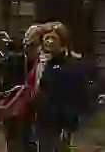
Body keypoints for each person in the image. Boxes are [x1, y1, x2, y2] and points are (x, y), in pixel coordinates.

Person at [30, 22, 91, 152]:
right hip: (42, 121)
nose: (50, 42)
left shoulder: (71, 65)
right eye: (47, 38)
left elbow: (78, 95)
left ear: (62, 42)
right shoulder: (41, 62)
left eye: (54, 38)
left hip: (61, 122)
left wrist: (69, 125)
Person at [0, 27, 40, 152]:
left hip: (20, 103)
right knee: (18, 137)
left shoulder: (28, 59)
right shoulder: (16, 58)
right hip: (16, 101)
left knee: (20, 137)